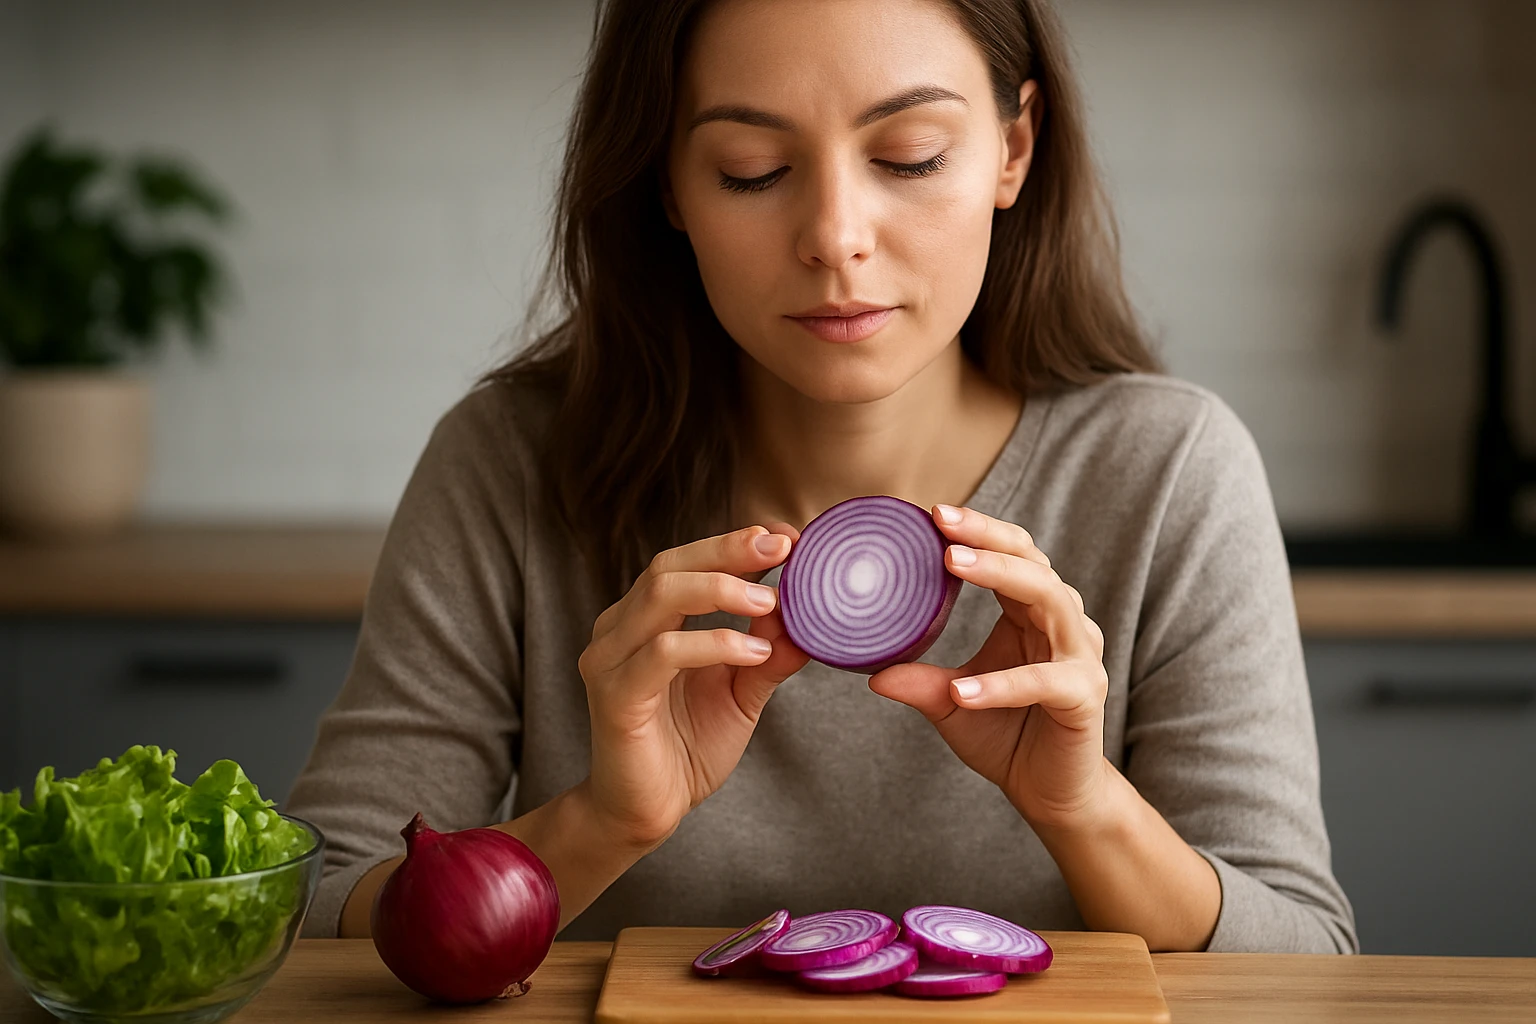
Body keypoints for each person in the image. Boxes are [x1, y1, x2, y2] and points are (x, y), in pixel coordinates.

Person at [285, 0, 1357, 954]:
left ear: (1013, 148)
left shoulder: (1168, 471)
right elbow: (317, 899)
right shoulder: (510, 464)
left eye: (910, 155)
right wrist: (604, 820)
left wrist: (1085, 808)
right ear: (667, 179)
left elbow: (1309, 957)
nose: (836, 238)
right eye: (752, 169)